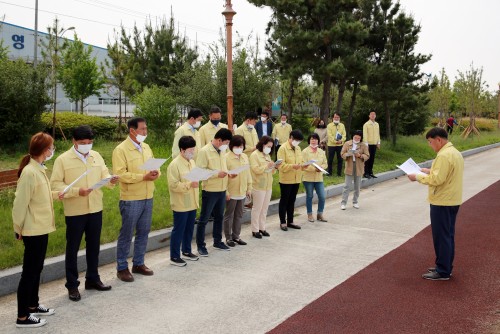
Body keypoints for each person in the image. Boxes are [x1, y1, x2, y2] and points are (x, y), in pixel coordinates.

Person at [50, 125, 118, 301]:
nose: (87, 145)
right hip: (75, 211)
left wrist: (111, 179)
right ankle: (72, 285)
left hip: (95, 208)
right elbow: (55, 185)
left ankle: (93, 279)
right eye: (82, 143)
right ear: (74, 141)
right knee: (72, 248)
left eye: (89, 142)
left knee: (94, 246)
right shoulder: (63, 160)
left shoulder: (96, 156)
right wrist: (76, 191)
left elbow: (104, 174)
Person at [12, 132, 58, 328]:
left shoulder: (39, 169)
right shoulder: (30, 172)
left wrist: (58, 194)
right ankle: (22, 317)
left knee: (37, 269)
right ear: (44, 150)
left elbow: (41, 196)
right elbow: (19, 204)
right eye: (51, 147)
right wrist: (18, 228)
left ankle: (33, 305)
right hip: (32, 229)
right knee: (29, 272)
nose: (52, 150)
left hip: (41, 227)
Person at [407, 127, 464, 281]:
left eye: (431, 142)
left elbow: (437, 180)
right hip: (452, 199)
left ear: (439, 140)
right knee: (448, 235)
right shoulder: (454, 153)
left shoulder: (444, 155)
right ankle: (445, 266)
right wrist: (427, 170)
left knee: (441, 236)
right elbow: (444, 174)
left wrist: (417, 177)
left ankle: (443, 270)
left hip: (442, 201)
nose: (430, 145)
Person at [112, 117, 160, 282]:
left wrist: (155, 173)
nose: (145, 132)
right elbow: (121, 175)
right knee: (126, 233)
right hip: (131, 198)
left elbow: (154, 165)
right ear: (132, 130)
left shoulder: (146, 147)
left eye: (146, 129)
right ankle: (122, 267)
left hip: (148, 196)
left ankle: (138, 263)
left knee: (144, 232)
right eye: (142, 129)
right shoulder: (121, 150)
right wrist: (143, 177)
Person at [195, 128, 233, 256]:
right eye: (226, 142)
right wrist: (217, 174)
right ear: (219, 140)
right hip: (210, 190)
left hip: (222, 189)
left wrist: (229, 175)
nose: (227, 146)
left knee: (219, 217)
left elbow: (224, 168)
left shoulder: (222, 151)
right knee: (204, 219)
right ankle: (201, 245)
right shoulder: (204, 151)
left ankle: (218, 241)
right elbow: (200, 172)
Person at [167, 136, 200, 267]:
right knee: (179, 229)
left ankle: (186, 250)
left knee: (189, 228)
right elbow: (173, 185)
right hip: (180, 202)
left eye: (193, 149)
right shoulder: (174, 165)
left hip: (192, 200)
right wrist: (189, 184)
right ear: (182, 150)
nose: (192, 152)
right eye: (190, 150)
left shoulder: (192, 162)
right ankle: (174, 256)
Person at [223, 135, 252, 246]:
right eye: (237, 146)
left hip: (242, 191)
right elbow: (225, 176)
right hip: (231, 191)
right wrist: (226, 191)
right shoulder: (226, 158)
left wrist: (249, 188)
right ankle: (228, 237)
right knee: (229, 215)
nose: (239, 148)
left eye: (241, 146)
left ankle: (236, 236)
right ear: (231, 146)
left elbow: (248, 173)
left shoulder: (244, 156)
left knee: (239, 215)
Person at [250, 136, 278, 239]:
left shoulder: (267, 155)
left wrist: (274, 166)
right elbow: (256, 169)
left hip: (268, 184)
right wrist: (267, 166)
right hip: (258, 184)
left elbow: (270, 170)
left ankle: (262, 227)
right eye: (268, 146)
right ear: (262, 144)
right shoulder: (254, 155)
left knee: (265, 208)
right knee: (257, 208)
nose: (269, 148)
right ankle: (255, 229)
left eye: (271, 147)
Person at [277, 129, 304, 231]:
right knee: (284, 200)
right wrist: (293, 166)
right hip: (286, 179)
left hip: (296, 178)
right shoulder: (282, 148)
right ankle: (283, 222)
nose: (298, 142)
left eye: (299, 141)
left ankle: (290, 221)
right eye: (296, 140)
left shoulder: (298, 148)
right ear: (291, 138)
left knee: (292, 201)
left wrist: (303, 165)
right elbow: (281, 165)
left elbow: (300, 161)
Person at [340, 130, 370, 210]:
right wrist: (348, 154)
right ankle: (343, 203)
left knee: (357, 186)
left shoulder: (363, 145)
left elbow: (367, 155)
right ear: (353, 136)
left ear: (361, 138)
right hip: (349, 165)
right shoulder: (347, 143)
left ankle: (355, 202)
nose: (356, 139)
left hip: (359, 166)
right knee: (347, 186)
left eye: (358, 138)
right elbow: (342, 154)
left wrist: (360, 155)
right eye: (355, 137)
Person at [302, 133, 328, 222]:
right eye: (312, 139)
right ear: (309, 140)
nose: (313, 141)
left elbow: (325, 163)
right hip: (308, 178)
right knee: (309, 196)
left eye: (315, 139)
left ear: (318, 141)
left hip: (319, 178)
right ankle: (309, 214)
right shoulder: (305, 151)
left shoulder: (321, 151)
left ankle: (320, 214)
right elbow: (303, 164)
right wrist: (314, 169)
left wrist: (321, 168)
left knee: (322, 196)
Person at [362, 111, 380, 179]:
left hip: (374, 143)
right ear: (369, 116)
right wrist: (366, 144)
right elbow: (365, 134)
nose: (373, 116)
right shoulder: (366, 124)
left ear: (375, 116)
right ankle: (365, 172)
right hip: (368, 144)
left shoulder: (377, 124)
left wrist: (378, 142)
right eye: (371, 114)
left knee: (372, 158)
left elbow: (378, 134)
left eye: (374, 114)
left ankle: (370, 172)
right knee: (367, 158)